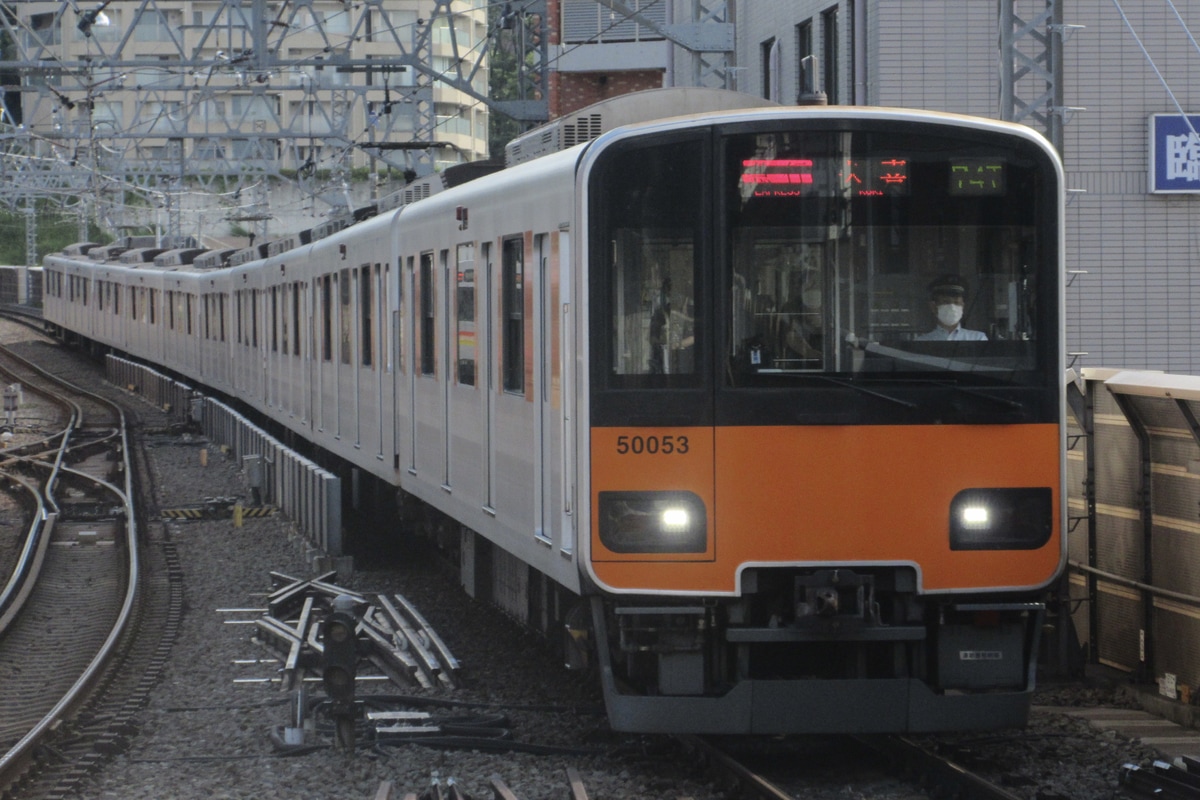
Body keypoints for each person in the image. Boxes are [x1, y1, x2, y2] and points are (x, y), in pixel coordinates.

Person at [915, 274, 987, 341]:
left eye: (956, 302)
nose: (952, 307)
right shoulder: (921, 341)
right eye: (946, 302)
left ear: (963, 306)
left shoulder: (978, 338)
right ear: (933, 307)